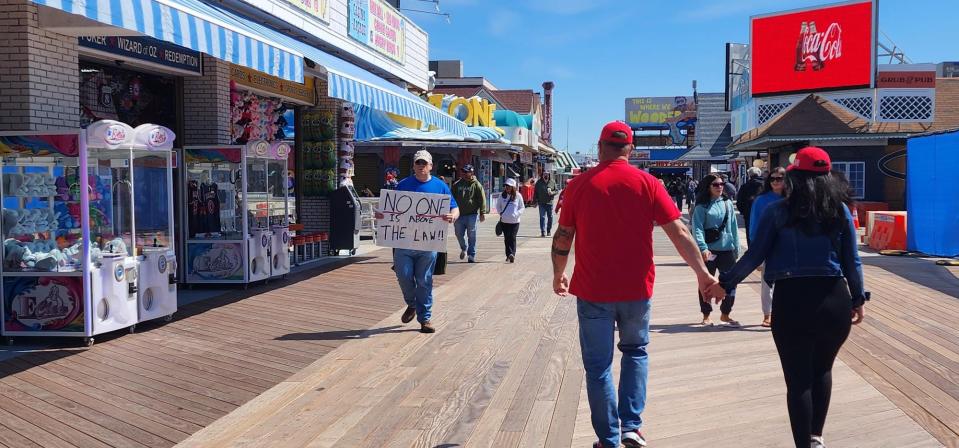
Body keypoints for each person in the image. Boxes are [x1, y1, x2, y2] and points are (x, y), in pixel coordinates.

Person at [551, 121, 725, 448]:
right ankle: (631, 427)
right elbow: (680, 233)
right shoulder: (648, 183)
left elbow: (564, 236)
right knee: (635, 352)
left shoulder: (579, 185)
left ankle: (609, 439)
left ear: (600, 147)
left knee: (598, 366)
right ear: (630, 149)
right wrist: (702, 274)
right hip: (637, 290)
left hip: (592, 290)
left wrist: (558, 271)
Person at [719, 147, 866, 448]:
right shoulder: (839, 210)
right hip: (833, 299)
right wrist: (858, 298)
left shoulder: (777, 212)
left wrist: (725, 284)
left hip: (791, 300)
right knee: (822, 369)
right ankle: (816, 438)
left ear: (794, 177)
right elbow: (853, 260)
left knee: (798, 379)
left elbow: (754, 256)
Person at [376, 150, 459, 334]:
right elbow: (392, 210)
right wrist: (382, 215)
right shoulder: (403, 184)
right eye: (418, 163)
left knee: (424, 281)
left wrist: (452, 216)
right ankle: (412, 303)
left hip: (428, 244)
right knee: (403, 276)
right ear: (413, 165)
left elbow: (455, 207)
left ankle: (425, 318)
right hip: (404, 242)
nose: (421, 166)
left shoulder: (440, 186)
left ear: (430, 166)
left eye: (424, 163)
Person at [691, 174, 741, 327]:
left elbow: (733, 226)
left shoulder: (727, 203)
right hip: (709, 251)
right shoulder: (701, 207)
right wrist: (703, 248)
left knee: (731, 283)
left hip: (727, 250)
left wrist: (736, 246)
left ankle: (725, 313)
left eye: (721, 184)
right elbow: (697, 229)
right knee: (706, 282)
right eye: (716, 184)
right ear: (708, 187)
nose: (720, 187)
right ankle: (706, 314)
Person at [749, 166, 786, 327]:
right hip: (767, 247)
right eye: (773, 179)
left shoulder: (793, 198)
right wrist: (756, 252)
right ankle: (767, 314)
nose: (776, 182)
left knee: (787, 283)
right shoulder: (761, 200)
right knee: (767, 283)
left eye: (780, 178)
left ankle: (785, 312)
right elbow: (754, 227)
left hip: (788, 247)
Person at [451, 164, 486, 263]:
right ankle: (464, 248)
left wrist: (482, 212)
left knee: (472, 235)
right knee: (458, 233)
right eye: (463, 172)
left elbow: (482, 199)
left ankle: (471, 254)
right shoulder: (457, 184)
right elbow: (451, 197)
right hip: (459, 214)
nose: (465, 174)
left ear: (472, 172)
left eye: (467, 172)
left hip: (472, 214)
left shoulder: (476, 184)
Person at [495, 178, 524, 263]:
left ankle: (512, 254)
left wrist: (516, 214)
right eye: (506, 186)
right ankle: (508, 255)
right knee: (507, 238)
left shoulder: (518, 196)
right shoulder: (502, 195)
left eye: (509, 186)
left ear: (513, 187)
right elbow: (498, 206)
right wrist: (501, 213)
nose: (507, 187)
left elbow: (522, 207)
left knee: (512, 237)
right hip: (504, 221)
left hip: (515, 222)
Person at [736, 167, 765, 243]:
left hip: (749, 214)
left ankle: (752, 251)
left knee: (750, 234)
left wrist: (744, 212)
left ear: (749, 175)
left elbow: (739, 202)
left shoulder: (745, 186)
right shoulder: (766, 185)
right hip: (765, 213)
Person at [534, 172, 558, 237]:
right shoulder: (539, 182)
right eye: (544, 174)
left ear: (549, 175)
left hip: (549, 203)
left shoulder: (552, 182)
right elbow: (535, 192)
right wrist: (535, 202)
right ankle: (543, 231)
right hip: (541, 203)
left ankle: (548, 230)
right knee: (542, 217)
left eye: (547, 174)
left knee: (550, 217)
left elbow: (556, 190)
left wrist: (552, 193)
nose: (546, 175)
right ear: (542, 175)